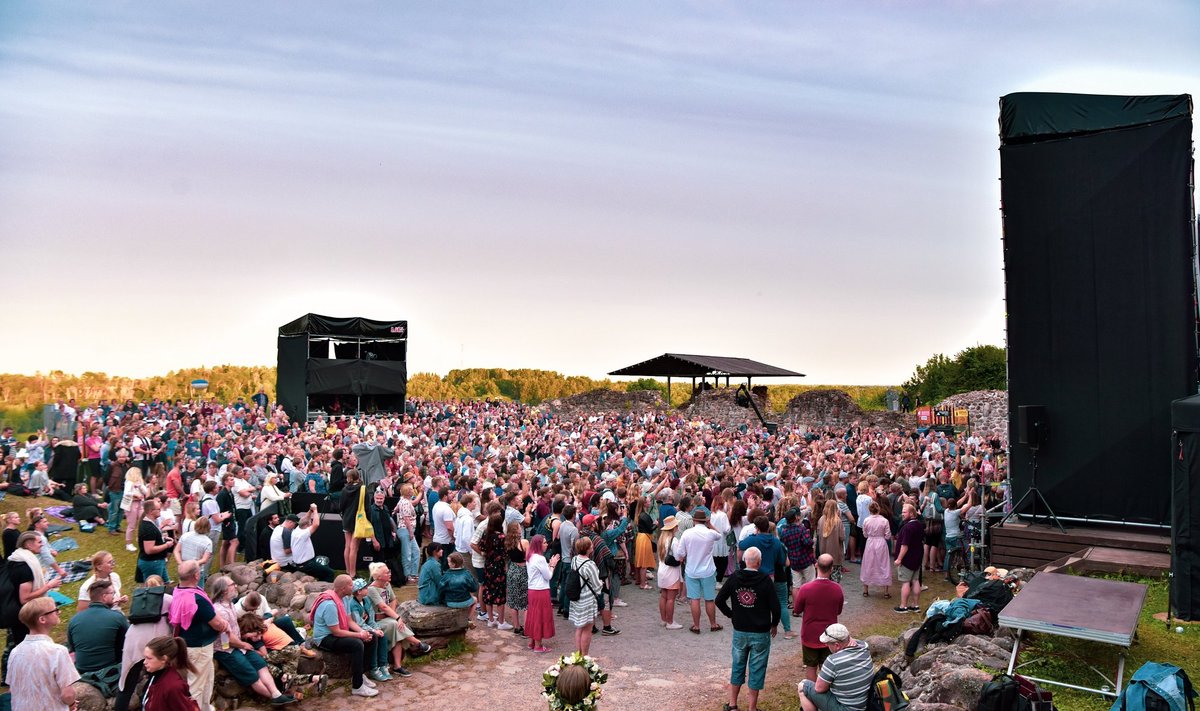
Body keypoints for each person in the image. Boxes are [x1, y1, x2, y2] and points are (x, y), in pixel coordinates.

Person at [208, 574, 295, 705]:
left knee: (261, 664)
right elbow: (226, 638)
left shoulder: (230, 604)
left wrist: (244, 640)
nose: (236, 586)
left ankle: (277, 694)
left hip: (239, 645)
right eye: (233, 584)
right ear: (225, 590)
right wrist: (243, 644)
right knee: (251, 675)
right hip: (226, 650)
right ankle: (273, 698)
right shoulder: (219, 611)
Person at [716, 546, 781, 711]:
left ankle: (732, 705)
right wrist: (774, 624)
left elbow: (719, 600)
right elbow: (776, 607)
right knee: (757, 668)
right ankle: (752, 708)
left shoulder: (734, 578)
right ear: (759, 562)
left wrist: (732, 615)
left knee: (738, 665)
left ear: (744, 560)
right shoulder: (765, 580)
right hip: (760, 632)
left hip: (740, 630)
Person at [168, 559, 228, 711]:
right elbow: (217, 624)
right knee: (196, 686)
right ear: (196, 575)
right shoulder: (197, 599)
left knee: (207, 680)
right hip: (198, 648)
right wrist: (224, 624)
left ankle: (206, 707)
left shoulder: (178, 591)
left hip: (189, 644)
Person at [4, 531, 62, 680]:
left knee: (16, 647)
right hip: (23, 614)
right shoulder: (24, 567)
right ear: (28, 544)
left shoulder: (16, 559)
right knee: (27, 650)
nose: (42, 544)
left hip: (14, 612)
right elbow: (25, 598)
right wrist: (49, 585)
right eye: (39, 542)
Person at [7, 597, 79, 711]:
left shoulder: (15, 653)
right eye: (55, 610)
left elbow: (12, 689)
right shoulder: (57, 651)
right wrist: (71, 704)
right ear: (42, 619)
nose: (59, 612)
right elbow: (68, 694)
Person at [311, 574, 378, 697]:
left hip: (336, 633)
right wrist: (359, 636)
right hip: (325, 638)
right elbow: (336, 632)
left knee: (372, 637)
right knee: (357, 644)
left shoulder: (345, 599)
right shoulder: (330, 605)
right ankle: (357, 686)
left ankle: (360, 675)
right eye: (350, 585)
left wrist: (363, 633)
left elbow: (349, 621)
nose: (353, 587)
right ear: (343, 588)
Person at [114, 574, 173, 711]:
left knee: (127, 684)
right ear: (163, 585)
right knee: (159, 679)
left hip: (133, 640)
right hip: (158, 641)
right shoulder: (169, 599)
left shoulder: (139, 599)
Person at [366, 562, 431, 677]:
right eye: (387, 572)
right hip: (376, 622)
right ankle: (417, 643)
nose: (390, 574)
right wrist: (397, 617)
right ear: (379, 576)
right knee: (396, 625)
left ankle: (397, 666)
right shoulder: (372, 589)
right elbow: (382, 607)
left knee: (397, 628)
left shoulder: (386, 584)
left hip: (388, 619)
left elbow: (393, 599)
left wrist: (394, 617)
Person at [796, 623, 873, 711]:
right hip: (865, 704)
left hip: (846, 708)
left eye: (828, 644)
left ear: (836, 645)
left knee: (803, 685)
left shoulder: (833, 661)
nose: (826, 646)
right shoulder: (864, 647)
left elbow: (819, 689)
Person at [793, 554, 845, 682]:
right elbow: (838, 611)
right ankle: (826, 693)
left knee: (810, 667)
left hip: (810, 634)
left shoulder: (805, 589)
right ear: (832, 568)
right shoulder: (837, 589)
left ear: (816, 565)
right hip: (830, 635)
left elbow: (797, 609)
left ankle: (812, 695)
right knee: (827, 667)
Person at [67, 578, 129, 674]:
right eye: (112, 593)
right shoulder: (117, 618)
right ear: (104, 597)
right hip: (109, 671)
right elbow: (128, 644)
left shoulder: (74, 620)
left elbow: (73, 648)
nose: (114, 596)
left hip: (82, 670)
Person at [677, 508, 723, 634]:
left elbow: (680, 553)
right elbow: (719, 535)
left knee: (694, 599)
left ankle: (696, 625)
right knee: (709, 599)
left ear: (694, 520)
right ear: (705, 520)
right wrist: (710, 524)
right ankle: (713, 624)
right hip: (707, 569)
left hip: (692, 569)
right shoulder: (710, 533)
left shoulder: (687, 533)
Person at [140, 635, 199, 711]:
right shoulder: (155, 675)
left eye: (149, 658)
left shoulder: (173, 686)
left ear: (164, 659)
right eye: (145, 657)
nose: (145, 662)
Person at [568, 537, 602, 656]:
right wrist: (602, 584)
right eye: (591, 545)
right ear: (587, 549)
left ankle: (578, 654)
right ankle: (585, 656)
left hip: (576, 597)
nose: (593, 547)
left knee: (579, 627)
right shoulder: (590, 564)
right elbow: (597, 585)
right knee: (587, 628)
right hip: (586, 599)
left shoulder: (574, 560)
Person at [524, 534, 557, 652]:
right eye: (544, 542)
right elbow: (548, 576)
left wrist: (548, 565)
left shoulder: (530, 556)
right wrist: (552, 565)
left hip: (532, 590)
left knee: (533, 615)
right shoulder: (540, 558)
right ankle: (538, 645)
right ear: (539, 545)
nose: (546, 544)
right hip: (541, 591)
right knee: (540, 617)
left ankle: (532, 642)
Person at [894, 503, 925, 613]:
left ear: (911, 513)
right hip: (917, 557)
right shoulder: (919, 524)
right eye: (902, 511)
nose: (902, 514)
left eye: (905, 512)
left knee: (906, 582)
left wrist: (899, 559)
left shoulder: (907, 527)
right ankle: (915, 605)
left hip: (907, 559)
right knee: (916, 580)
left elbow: (904, 545)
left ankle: (903, 606)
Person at [859, 502, 893, 598]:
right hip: (881, 542)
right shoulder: (884, 521)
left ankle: (865, 590)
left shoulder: (866, 520)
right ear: (879, 509)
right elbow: (888, 535)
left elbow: (864, 534)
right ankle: (886, 591)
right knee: (883, 565)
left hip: (870, 543)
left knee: (868, 564)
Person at [137, 498, 175, 584]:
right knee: (154, 589)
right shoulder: (148, 527)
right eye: (158, 509)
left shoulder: (152, 523)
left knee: (166, 584)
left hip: (158, 560)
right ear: (151, 511)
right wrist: (167, 545)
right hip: (152, 563)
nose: (160, 511)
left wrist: (163, 539)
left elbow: (154, 536)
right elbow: (149, 550)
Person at [656, 516, 684, 629]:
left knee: (664, 596)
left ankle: (664, 619)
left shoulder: (661, 539)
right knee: (671, 598)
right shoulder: (674, 540)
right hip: (671, 572)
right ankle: (670, 622)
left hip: (662, 570)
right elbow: (678, 557)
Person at [177, 515, 214, 589]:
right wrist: (193, 565)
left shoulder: (185, 535)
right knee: (198, 592)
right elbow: (204, 559)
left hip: (183, 568)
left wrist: (181, 563)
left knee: (183, 589)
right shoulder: (208, 542)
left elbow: (176, 551)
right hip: (197, 570)